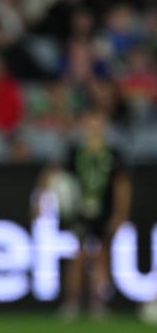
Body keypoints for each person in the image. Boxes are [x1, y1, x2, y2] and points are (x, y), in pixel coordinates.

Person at [34, 109, 132, 319]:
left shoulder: (113, 153)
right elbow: (52, 172)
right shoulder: (75, 151)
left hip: (103, 211)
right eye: (90, 121)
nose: (94, 126)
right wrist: (40, 199)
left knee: (102, 256)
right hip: (79, 210)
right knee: (77, 255)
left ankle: (99, 304)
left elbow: (122, 185)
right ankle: (72, 303)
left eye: (98, 121)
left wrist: (120, 214)